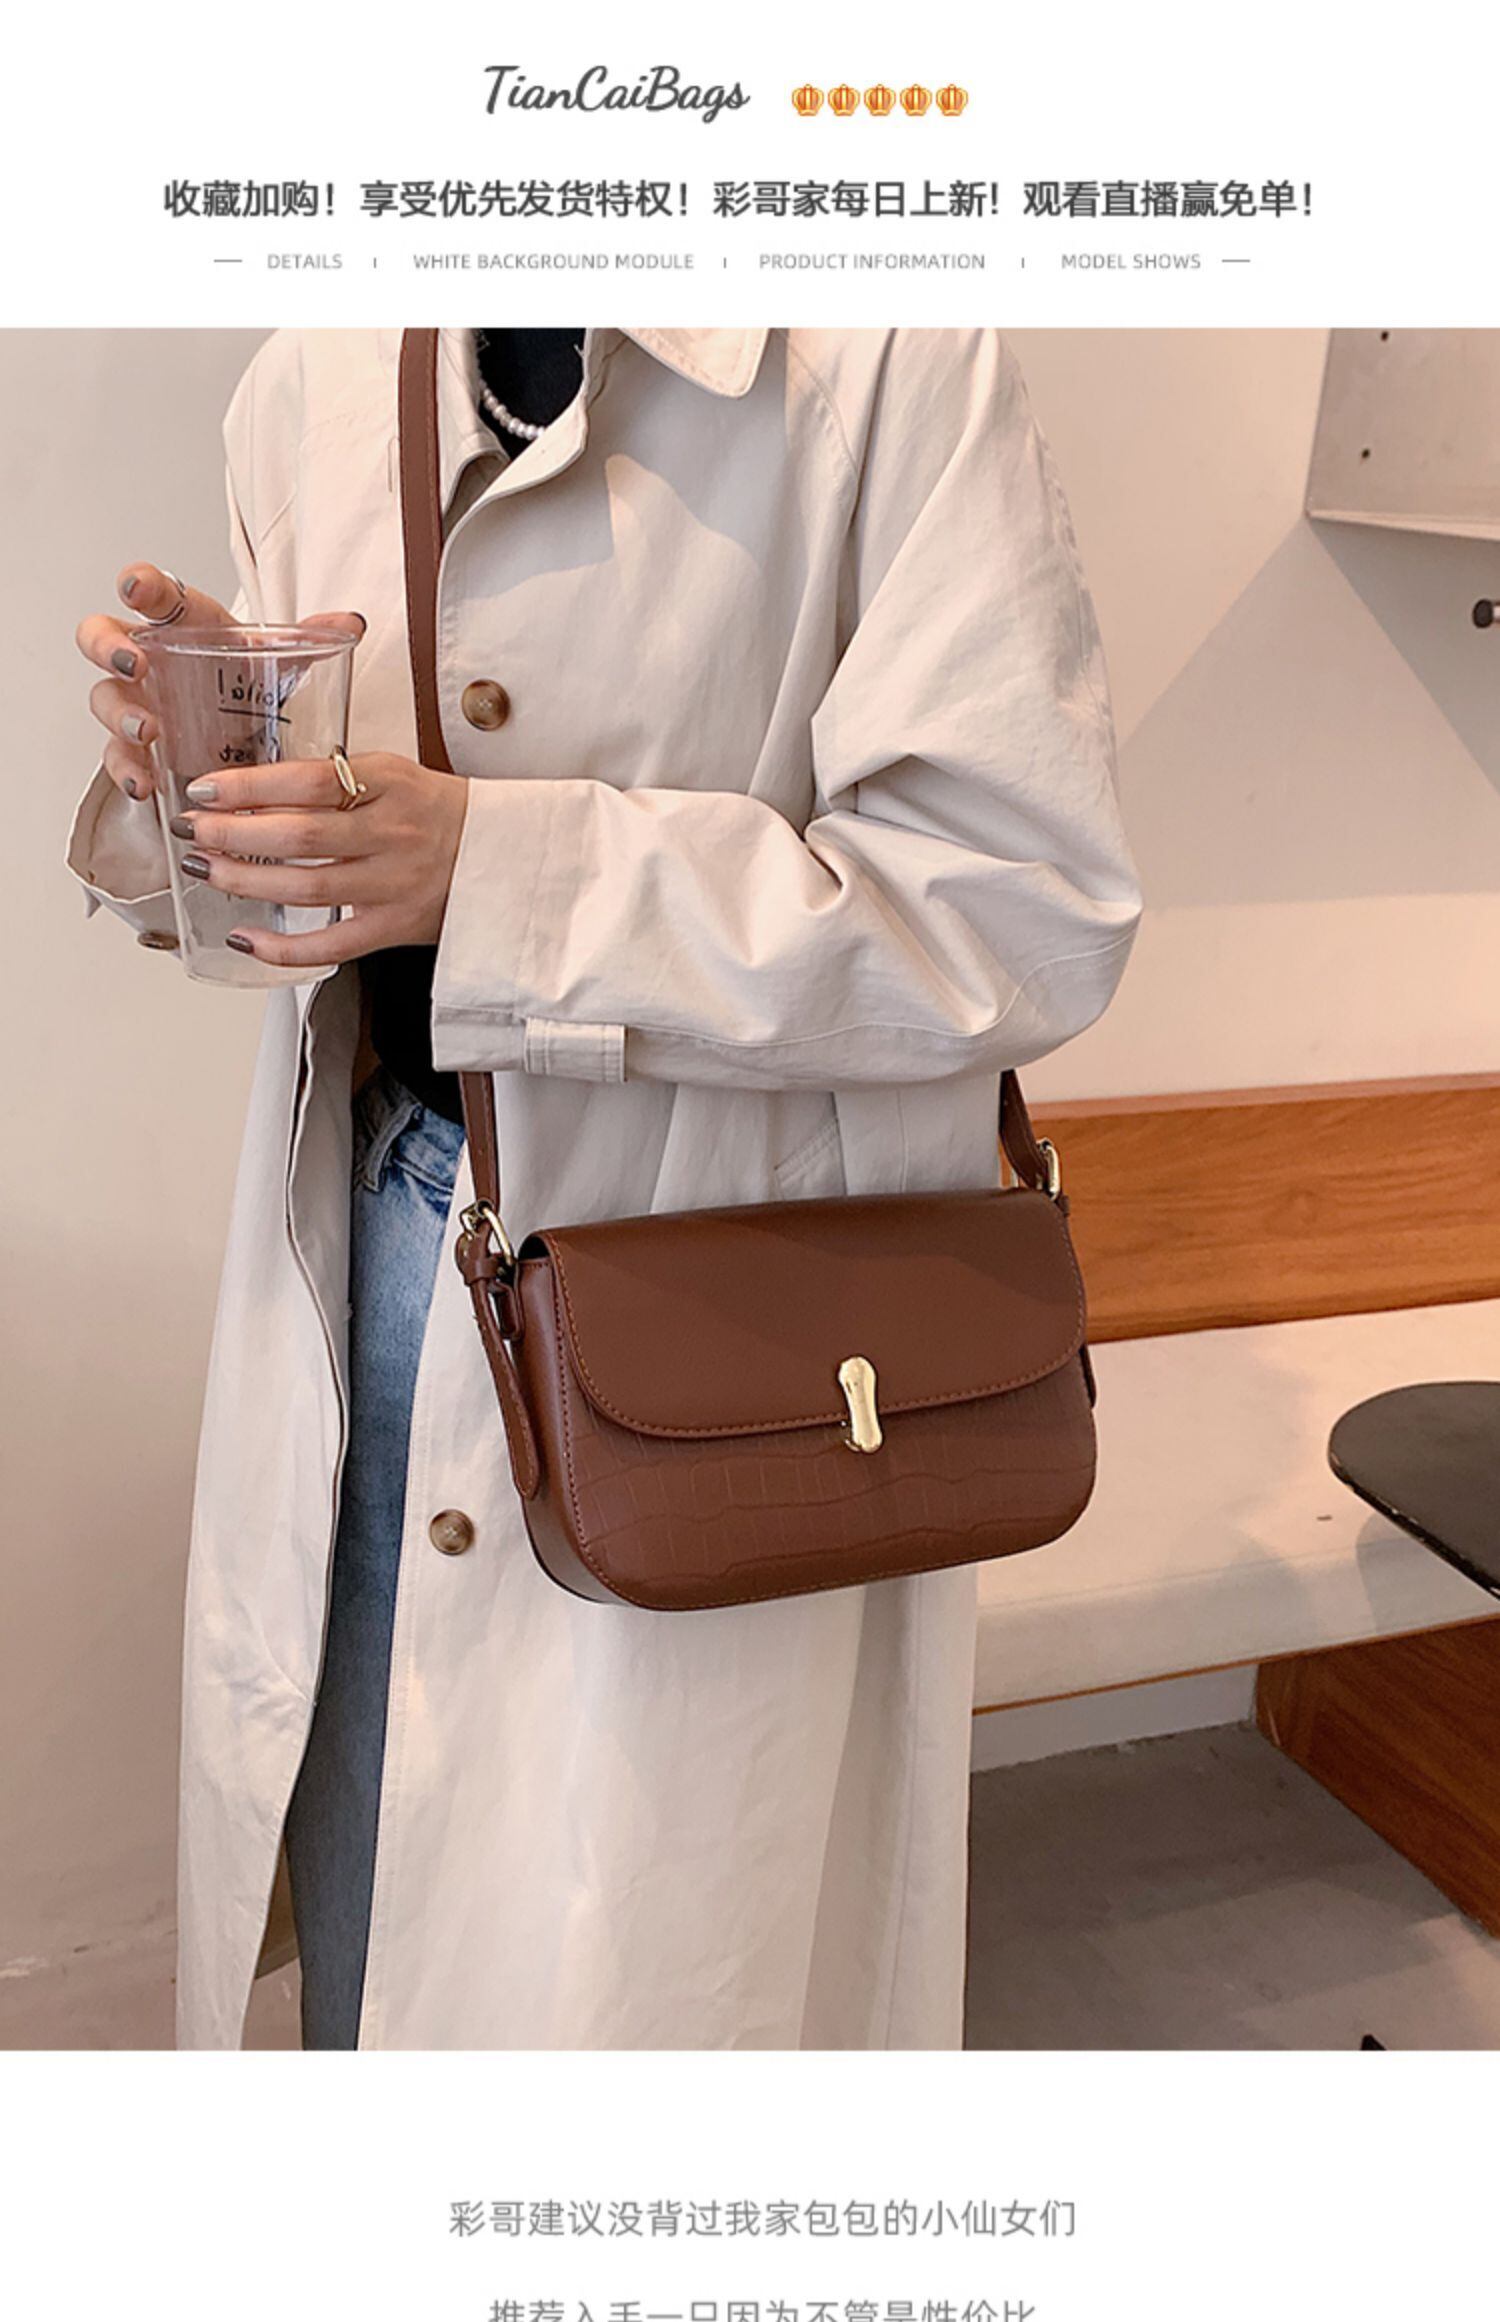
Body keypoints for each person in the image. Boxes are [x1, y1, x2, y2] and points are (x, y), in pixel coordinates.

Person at [68, 326, 1142, 2051]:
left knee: (654, 1968)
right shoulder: (316, 372)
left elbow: (1021, 905)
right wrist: (200, 791)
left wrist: (499, 867)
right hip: (376, 1242)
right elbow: (304, 901)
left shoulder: (888, 357)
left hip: (730, 1308)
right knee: (378, 1893)